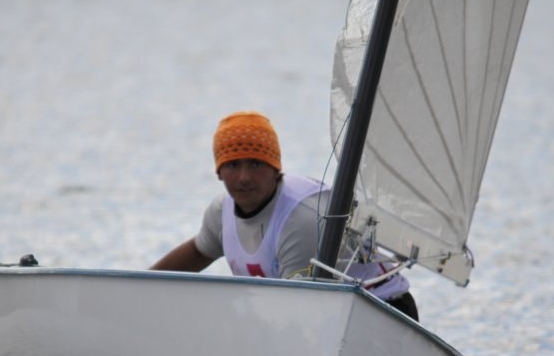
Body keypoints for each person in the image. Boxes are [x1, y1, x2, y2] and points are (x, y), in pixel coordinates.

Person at [150, 111, 418, 320]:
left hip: (385, 311)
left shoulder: (301, 219)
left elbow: (298, 309)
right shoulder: (220, 212)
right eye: (232, 165)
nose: (244, 177)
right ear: (219, 172)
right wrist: (139, 290)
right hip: (323, 317)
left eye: (255, 164)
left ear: (276, 169)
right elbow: (198, 252)